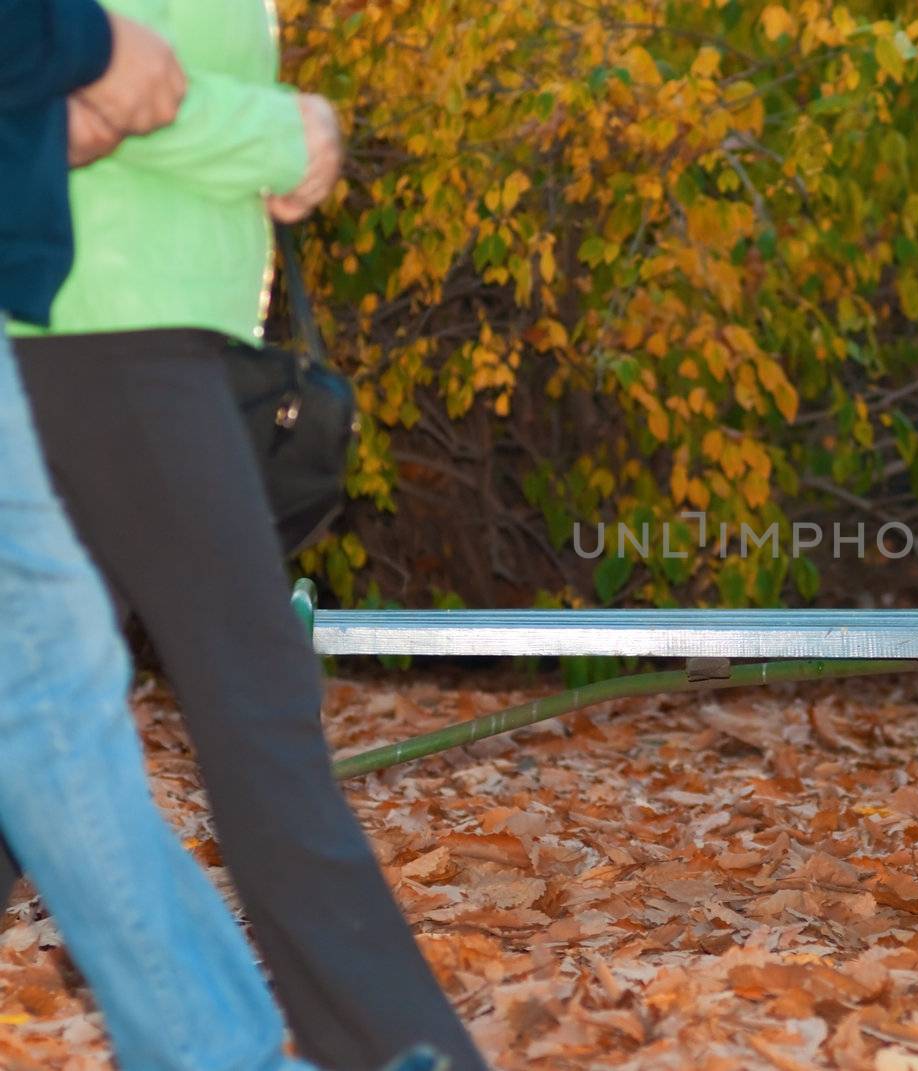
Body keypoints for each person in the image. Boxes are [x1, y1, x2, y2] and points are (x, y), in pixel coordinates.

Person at [2, 2, 489, 1069]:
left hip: (146, 330)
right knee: (252, 706)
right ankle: (400, 1046)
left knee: (42, 722)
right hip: (105, 325)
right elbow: (82, 80)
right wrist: (287, 134)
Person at [0, 3, 323, 1069]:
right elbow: (118, 92)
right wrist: (82, 53)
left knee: (52, 705)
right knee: (66, 701)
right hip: (89, 332)